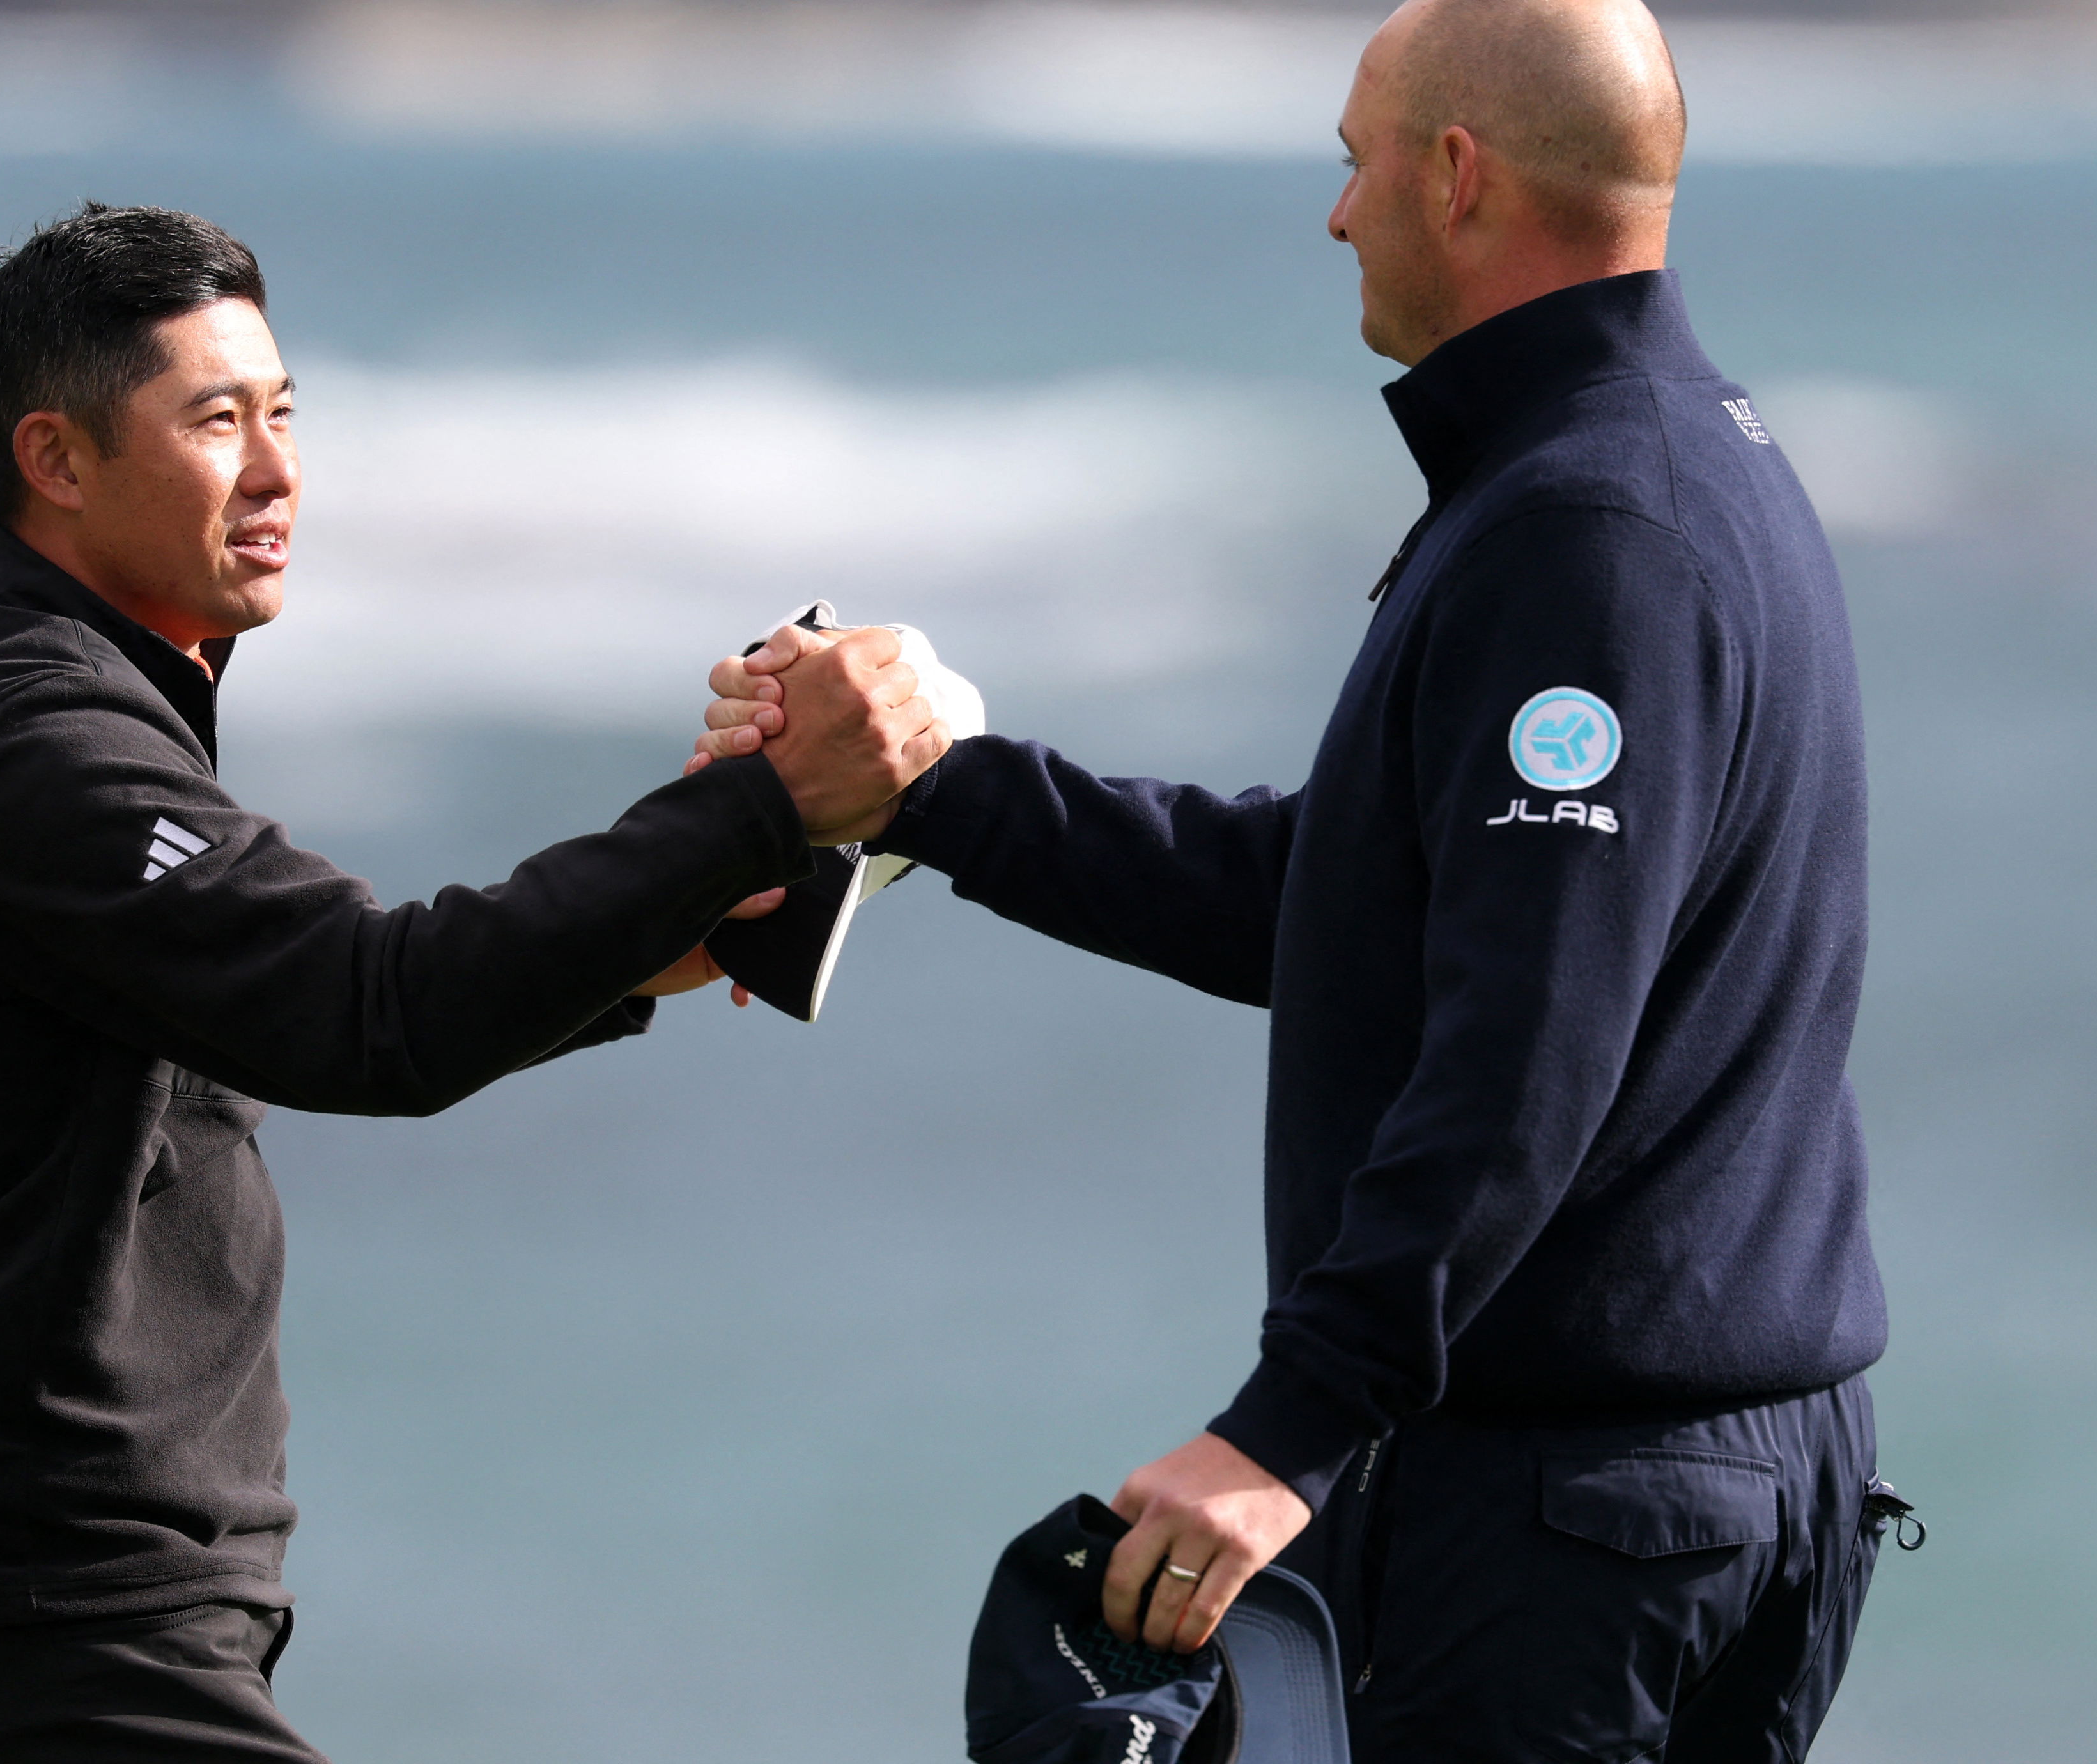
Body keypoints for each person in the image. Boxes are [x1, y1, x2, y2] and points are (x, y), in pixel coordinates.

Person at [696, 0, 1888, 1756]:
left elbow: (1526, 1044)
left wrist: (1288, 1430)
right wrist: (936, 793)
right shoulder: (1675, 456)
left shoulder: (1590, 528)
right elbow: (1341, 902)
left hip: (1578, 1518)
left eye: (1354, 163)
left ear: (1457, 175)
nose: (1336, 214)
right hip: (1689, 1485)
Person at [0, 203, 943, 1763]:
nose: (278, 474)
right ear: (55, 462)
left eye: (281, 414)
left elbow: (340, 987)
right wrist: (742, 810)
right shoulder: (28, 742)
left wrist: (698, 915)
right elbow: (369, 1006)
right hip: (34, 1644)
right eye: (215, 421)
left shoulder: (77, 705)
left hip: (70, 1635)